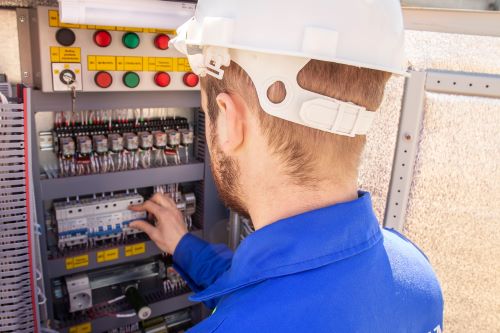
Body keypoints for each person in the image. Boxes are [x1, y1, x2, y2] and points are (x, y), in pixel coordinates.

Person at [129, 0, 444, 331]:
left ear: (229, 120)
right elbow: (275, 290)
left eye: (208, 115)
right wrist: (183, 246)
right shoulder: (416, 274)